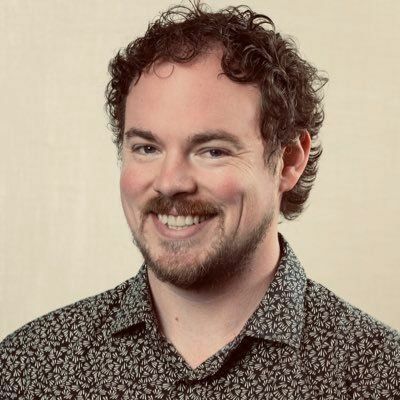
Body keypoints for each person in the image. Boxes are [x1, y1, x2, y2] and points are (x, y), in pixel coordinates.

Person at [1, 2, 399, 399]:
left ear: (289, 160)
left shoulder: (380, 376)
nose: (170, 183)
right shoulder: (28, 368)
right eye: (146, 148)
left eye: (212, 151)